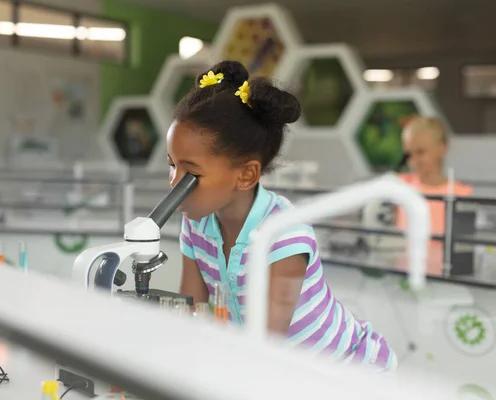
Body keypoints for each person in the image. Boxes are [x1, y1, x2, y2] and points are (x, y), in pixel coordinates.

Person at [167, 61, 396, 371]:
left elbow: (265, 346)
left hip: (348, 376)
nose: (174, 183)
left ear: (246, 175)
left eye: (191, 172)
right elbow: (188, 312)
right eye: (172, 165)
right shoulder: (196, 223)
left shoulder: (285, 233)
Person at [396, 116, 473, 275]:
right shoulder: (399, 186)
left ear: (442, 148)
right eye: (409, 153)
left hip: (444, 277)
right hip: (403, 273)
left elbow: (464, 250)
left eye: (421, 152)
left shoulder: (461, 193)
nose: (415, 160)